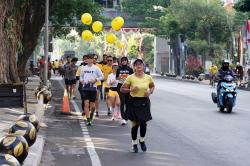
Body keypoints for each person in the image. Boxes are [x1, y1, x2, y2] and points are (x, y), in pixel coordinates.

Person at [121, 58, 155, 153]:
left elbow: (152, 86)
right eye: (136, 64)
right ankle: (134, 144)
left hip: (144, 102)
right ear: (134, 67)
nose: (138, 65)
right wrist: (131, 90)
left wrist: (150, 91)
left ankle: (142, 140)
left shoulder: (148, 77)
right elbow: (122, 89)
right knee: (135, 124)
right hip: (133, 102)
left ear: (143, 66)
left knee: (143, 123)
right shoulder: (130, 77)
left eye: (140, 64)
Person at [80, 54, 103, 126]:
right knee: (86, 104)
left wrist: (95, 80)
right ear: (87, 60)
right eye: (88, 59)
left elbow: (102, 76)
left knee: (93, 106)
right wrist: (82, 81)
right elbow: (81, 77)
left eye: (91, 59)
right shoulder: (83, 68)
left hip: (93, 88)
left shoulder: (96, 68)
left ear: (93, 60)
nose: (90, 60)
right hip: (85, 88)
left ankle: (92, 114)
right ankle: (88, 120)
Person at [116, 56, 133, 125]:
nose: (124, 62)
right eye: (122, 60)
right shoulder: (118, 69)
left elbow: (132, 78)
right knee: (122, 101)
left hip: (128, 87)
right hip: (120, 87)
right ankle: (123, 117)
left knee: (128, 103)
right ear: (121, 62)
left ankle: (126, 117)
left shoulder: (130, 69)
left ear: (127, 61)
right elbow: (116, 78)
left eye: (125, 60)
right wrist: (119, 77)